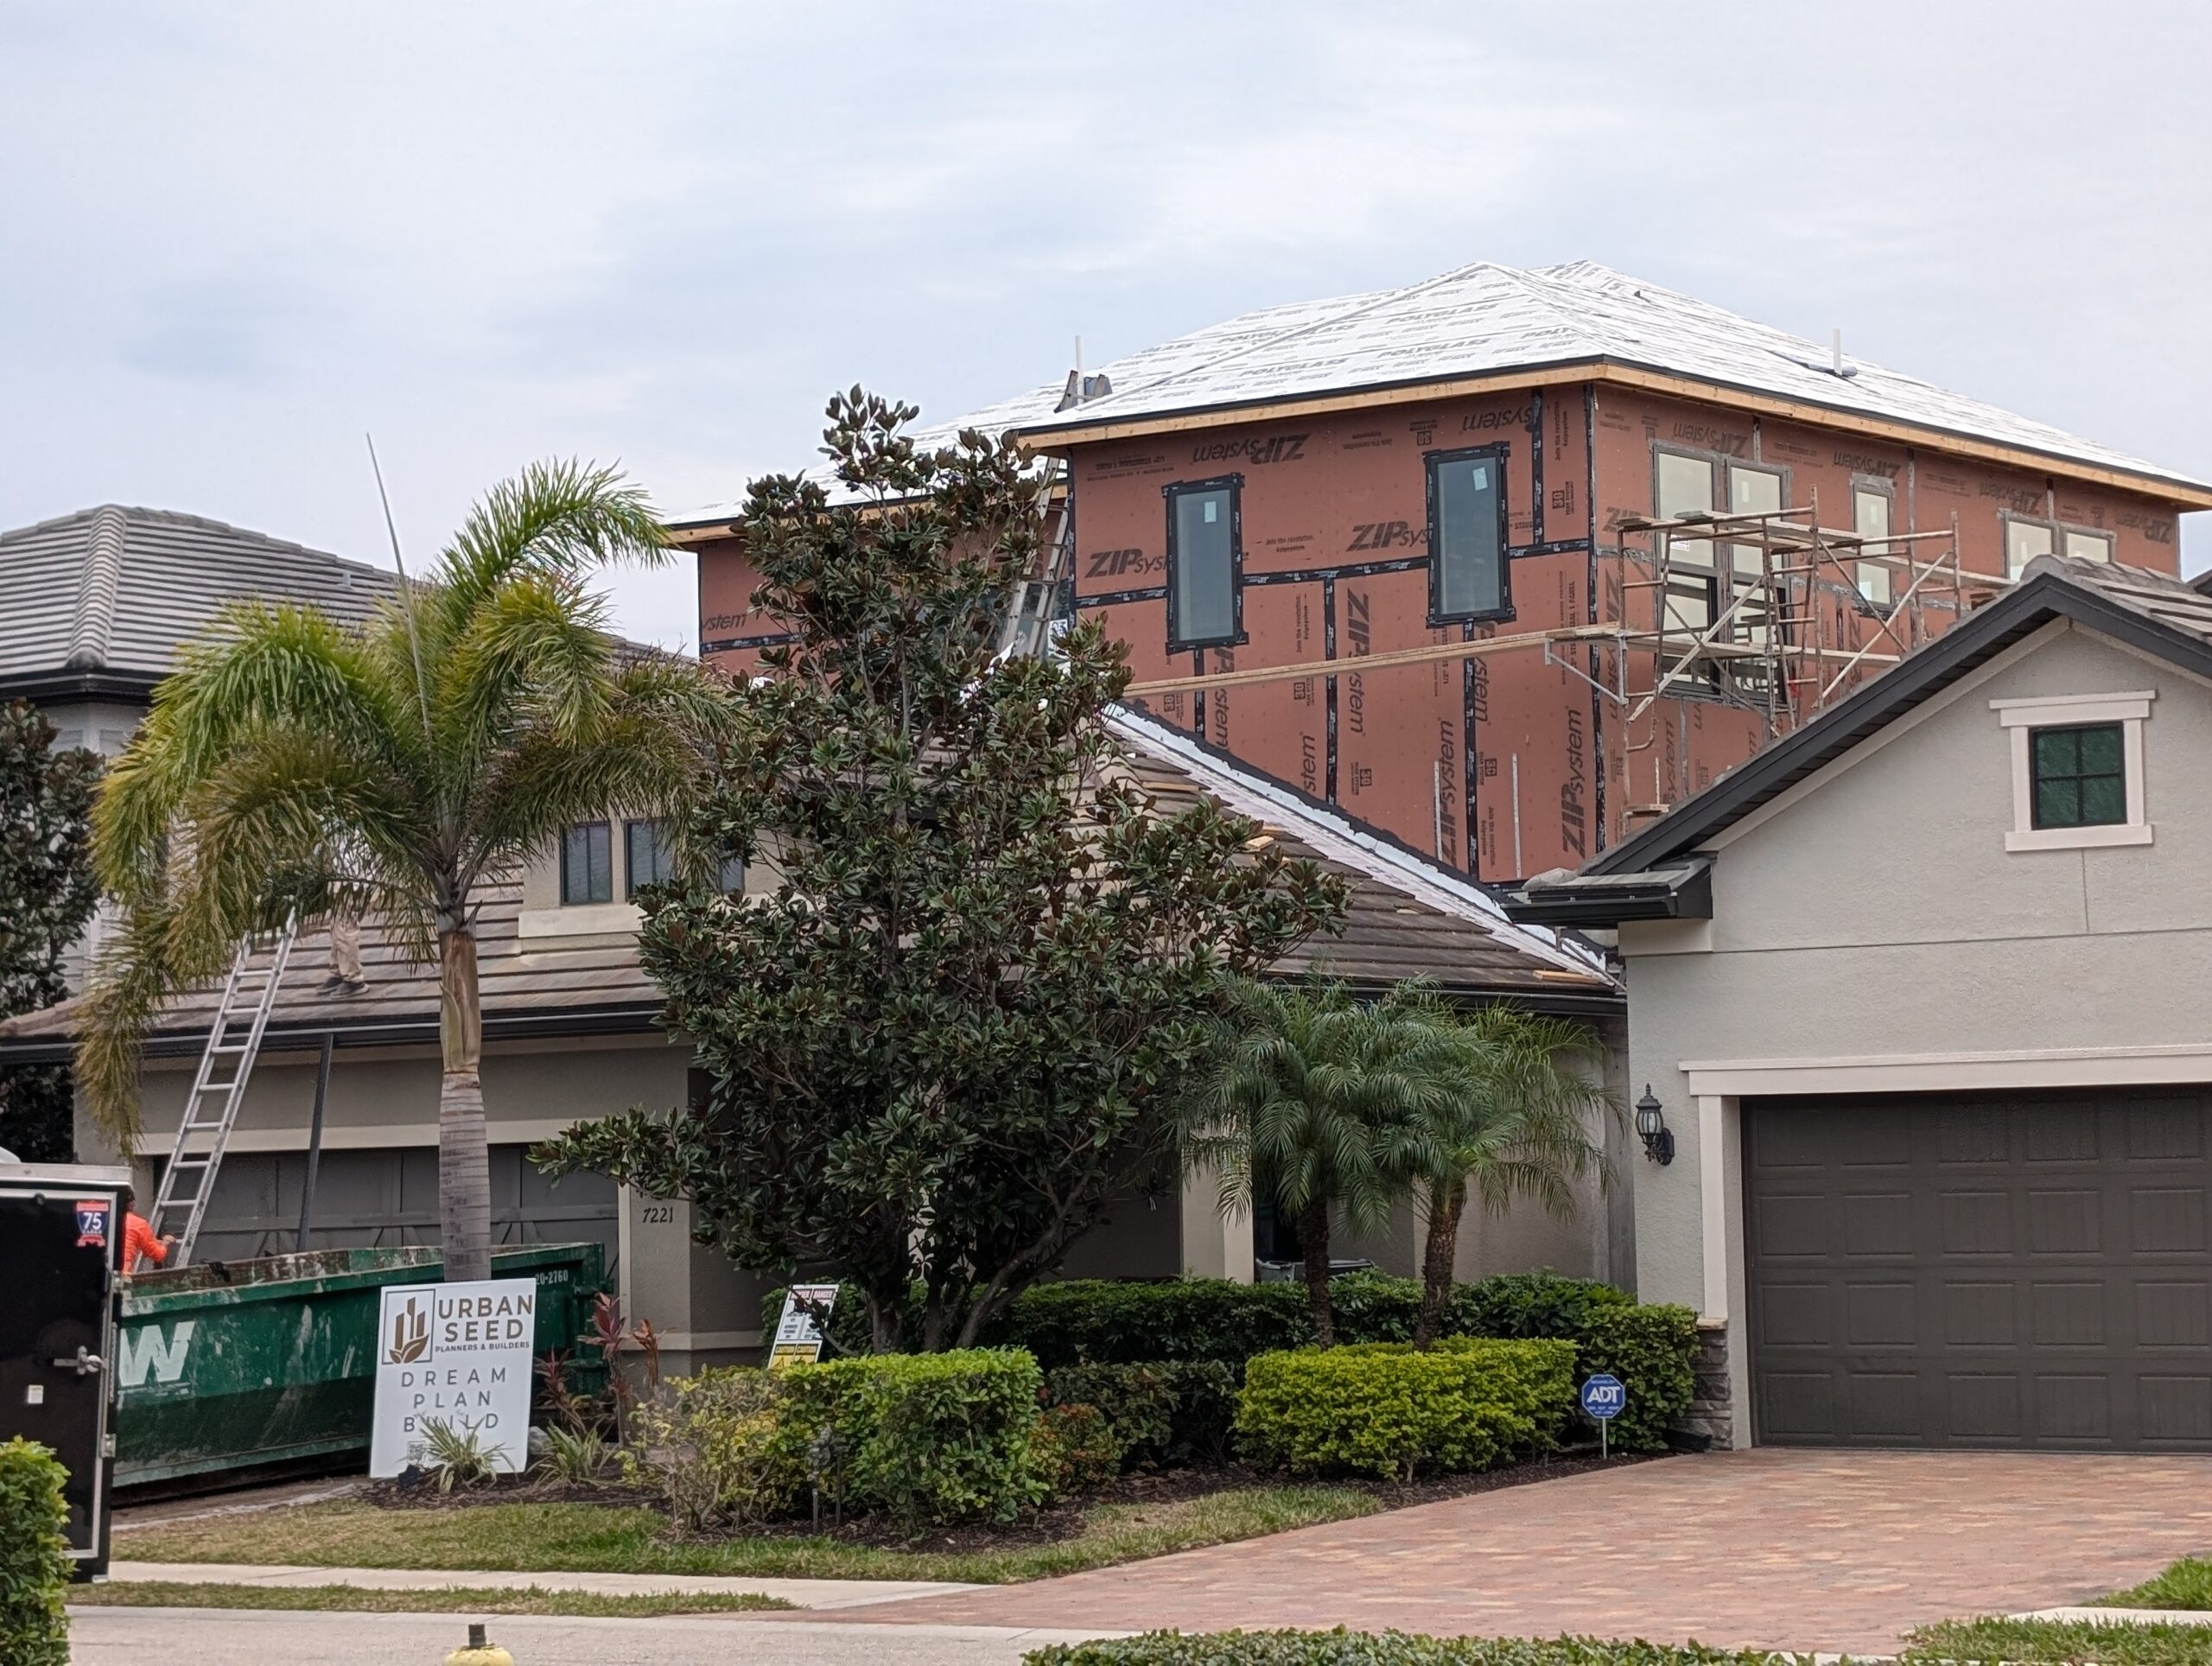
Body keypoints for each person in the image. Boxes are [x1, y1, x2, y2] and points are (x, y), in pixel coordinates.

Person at [120, 1186, 175, 1274]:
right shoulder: (139, 1224)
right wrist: (165, 1243)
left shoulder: (104, 1219)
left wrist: (157, 1241)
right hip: (121, 1276)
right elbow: (158, 1254)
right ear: (130, 1204)